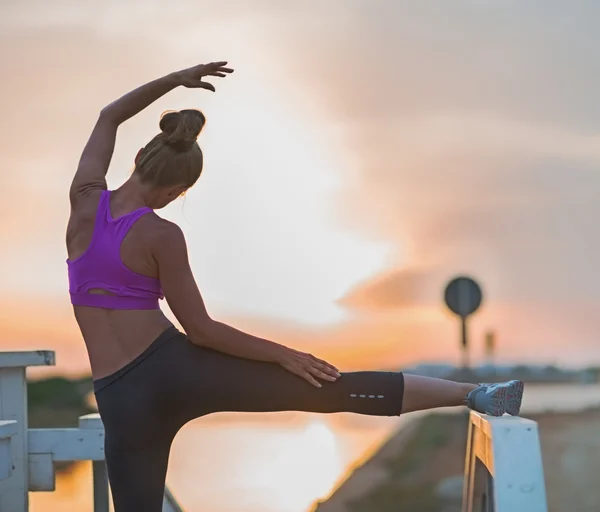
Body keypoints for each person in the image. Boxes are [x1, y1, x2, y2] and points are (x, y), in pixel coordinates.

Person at [66, 60, 524, 512]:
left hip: (118, 396)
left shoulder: (84, 202)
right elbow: (202, 331)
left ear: (138, 159)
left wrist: (172, 80)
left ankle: (471, 393)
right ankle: (473, 394)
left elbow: (110, 115)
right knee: (328, 387)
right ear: (178, 189)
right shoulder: (163, 235)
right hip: (176, 370)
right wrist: (285, 355)